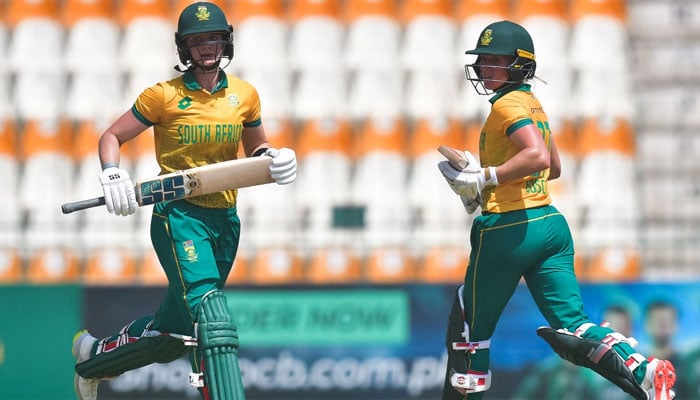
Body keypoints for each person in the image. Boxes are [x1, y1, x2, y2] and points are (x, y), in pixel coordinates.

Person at [437, 20, 676, 400]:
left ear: (519, 64)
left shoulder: (507, 105)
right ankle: (645, 371)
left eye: (494, 60)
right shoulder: (533, 102)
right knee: (574, 326)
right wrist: (485, 179)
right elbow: (555, 167)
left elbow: (537, 156)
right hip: (550, 225)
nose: (484, 68)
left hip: (508, 229)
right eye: (482, 60)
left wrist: (485, 177)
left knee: (469, 330)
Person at [70, 2, 297, 400]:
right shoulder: (164, 96)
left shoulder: (245, 95)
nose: (206, 47)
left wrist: (274, 160)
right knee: (212, 317)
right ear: (184, 48)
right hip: (178, 216)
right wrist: (111, 172)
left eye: (212, 38)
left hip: (225, 219)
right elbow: (112, 137)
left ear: (225, 41)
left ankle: (93, 359)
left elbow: (256, 148)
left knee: (174, 335)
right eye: (196, 40)